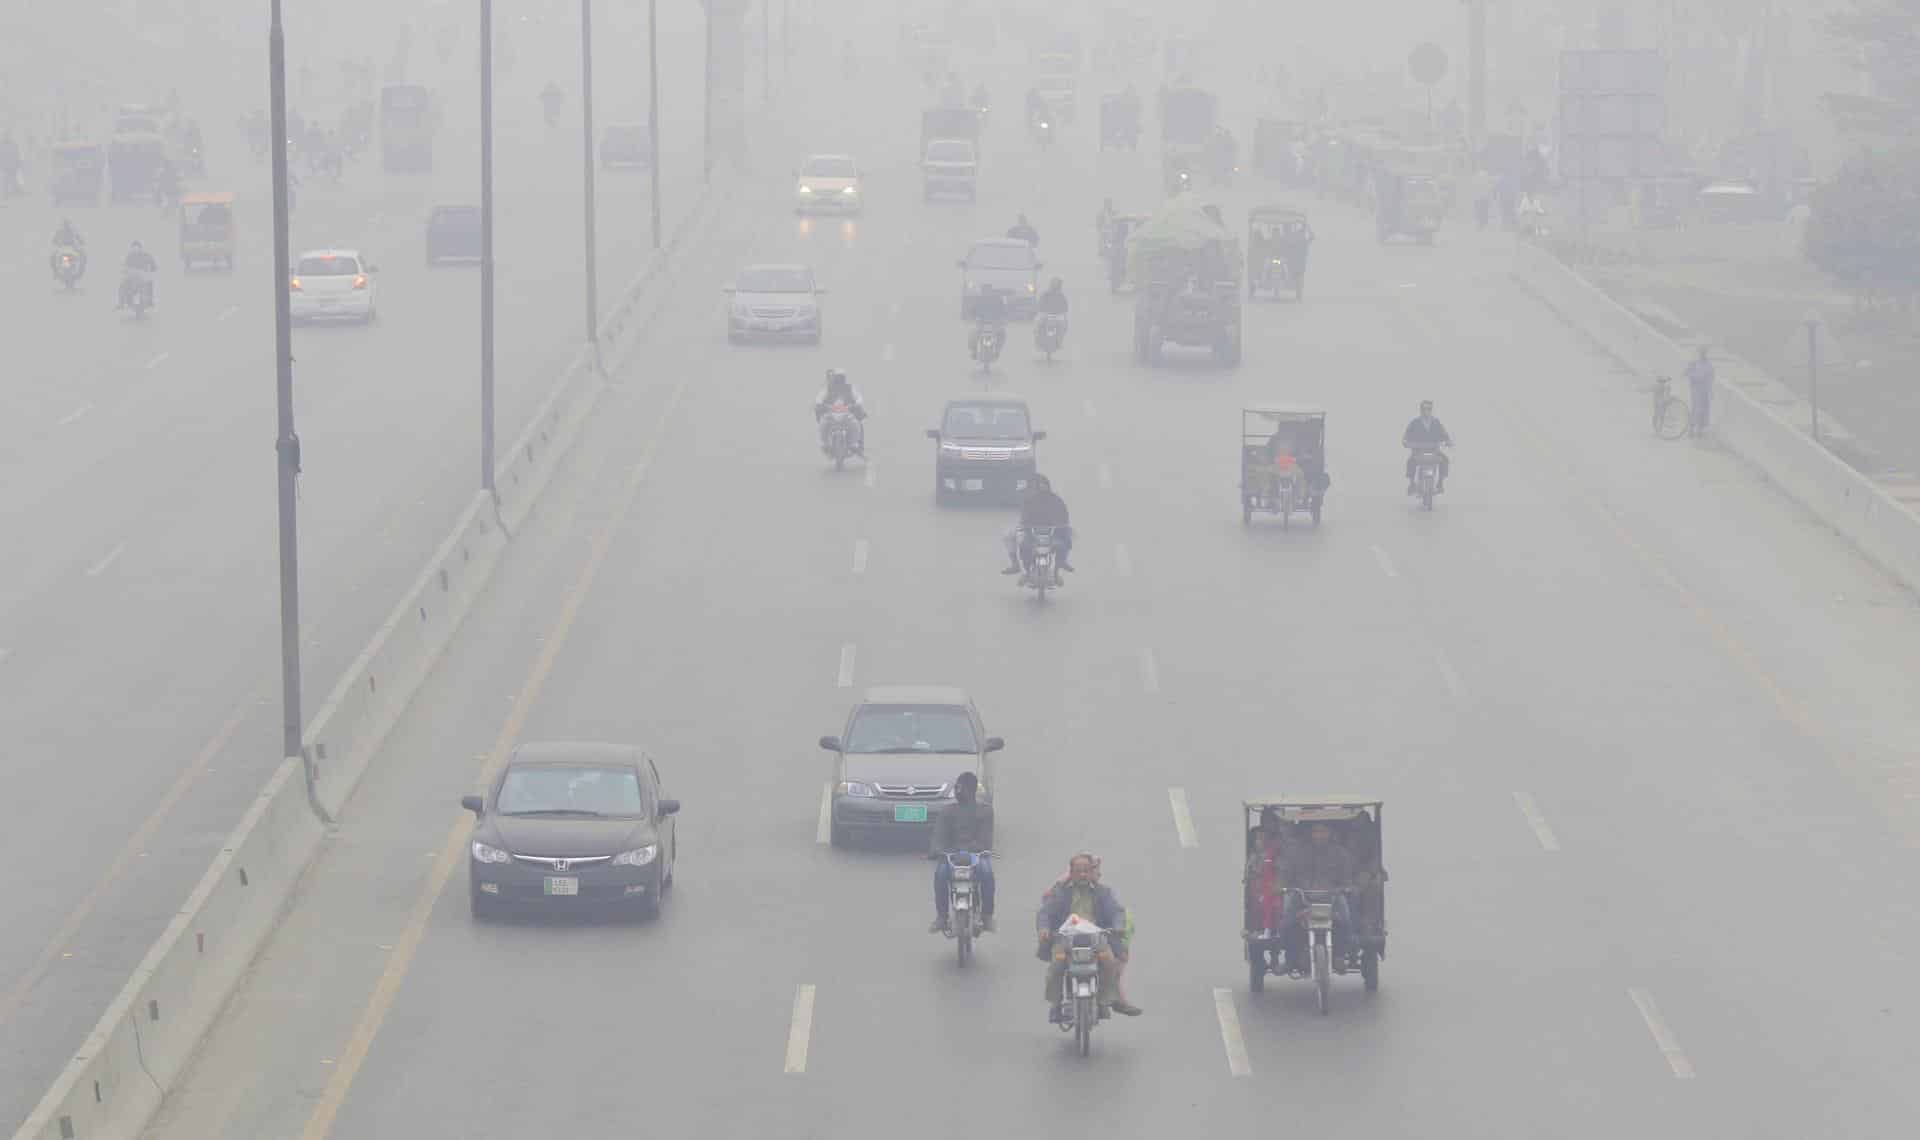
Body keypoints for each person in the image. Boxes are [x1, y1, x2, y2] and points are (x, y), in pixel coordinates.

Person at [1035, 853, 1142, 1019]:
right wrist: (1044, 928)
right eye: (1079, 871)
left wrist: (1118, 926)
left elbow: (1116, 911)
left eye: (1086, 871)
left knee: (1110, 963)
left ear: (1091, 872)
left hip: (1096, 938)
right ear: (1071, 872)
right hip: (1066, 938)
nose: (1083, 875)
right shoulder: (1060, 892)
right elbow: (1045, 913)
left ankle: (1104, 1002)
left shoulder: (1103, 892)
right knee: (1056, 966)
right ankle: (1056, 1005)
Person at [1274, 820, 1358, 973]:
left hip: (1332, 896)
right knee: (1286, 922)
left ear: (1330, 833)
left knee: (1346, 920)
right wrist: (1281, 886)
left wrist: (1347, 887)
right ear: (1310, 834)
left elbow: (1347, 879)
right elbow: (1285, 874)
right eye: (1316, 832)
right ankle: (1290, 960)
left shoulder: (1340, 853)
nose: (1320, 835)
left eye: (1323, 831)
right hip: (1302, 896)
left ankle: (1339, 956)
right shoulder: (1297, 853)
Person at [929, 771, 995, 933]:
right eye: (956, 788)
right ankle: (942, 917)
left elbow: (986, 840)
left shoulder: (986, 811)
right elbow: (938, 835)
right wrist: (936, 850)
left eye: (961, 788)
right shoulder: (947, 811)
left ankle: (987, 916)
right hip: (951, 855)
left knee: (987, 874)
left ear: (971, 790)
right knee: (940, 874)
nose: (957, 791)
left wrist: (973, 850)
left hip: (976, 855)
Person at [1002, 474, 1074, 578]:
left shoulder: (1049, 499)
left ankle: (1061, 562)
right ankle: (1016, 565)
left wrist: (1062, 527)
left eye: (1031, 488)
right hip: (1033, 530)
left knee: (1067, 536)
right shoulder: (1050, 498)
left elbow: (1064, 518)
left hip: (1049, 531)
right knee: (1010, 537)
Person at [1402, 399, 1452, 493]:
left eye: (1428, 409)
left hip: (1434, 451)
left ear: (1431, 410)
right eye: (1424, 409)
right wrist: (1405, 442)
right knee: (1411, 462)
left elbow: (1444, 433)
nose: (1426, 411)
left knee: (1445, 461)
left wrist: (1448, 441)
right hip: (1418, 451)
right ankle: (1412, 483)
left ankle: (1440, 483)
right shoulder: (1415, 422)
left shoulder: (1436, 422)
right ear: (1421, 410)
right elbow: (1406, 434)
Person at [813, 369, 867, 454]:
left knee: (855, 424)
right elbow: (820, 397)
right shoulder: (828, 388)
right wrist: (820, 404)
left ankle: (854, 443)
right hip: (831, 413)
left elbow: (858, 397)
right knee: (823, 423)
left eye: (841, 378)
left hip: (847, 413)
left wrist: (857, 403)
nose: (839, 380)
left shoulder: (850, 387)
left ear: (844, 379)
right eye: (837, 378)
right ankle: (825, 443)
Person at [119, 240, 158, 309]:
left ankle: (150, 301)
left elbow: (154, 266)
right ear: (132, 248)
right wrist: (125, 271)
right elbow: (125, 266)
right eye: (134, 248)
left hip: (143, 276)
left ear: (140, 248)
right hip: (132, 277)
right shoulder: (129, 256)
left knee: (149, 284)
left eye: (137, 248)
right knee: (122, 285)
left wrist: (151, 271)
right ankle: (121, 303)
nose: (135, 250)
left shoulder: (146, 256)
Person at [1685, 346, 1714, 435]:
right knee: (1695, 409)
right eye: (1701, 352)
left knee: (1703, 410)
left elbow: (1711, 378)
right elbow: (1686, 372)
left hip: (1705, 390)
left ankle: (1699, 429)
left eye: (1704, 352)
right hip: (1696, 389)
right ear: (1699, 353)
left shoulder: (1709, 365)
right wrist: (1693, 377)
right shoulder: (1694, 363)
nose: (1703, 354)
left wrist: (1711, 391)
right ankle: (1692, 428)